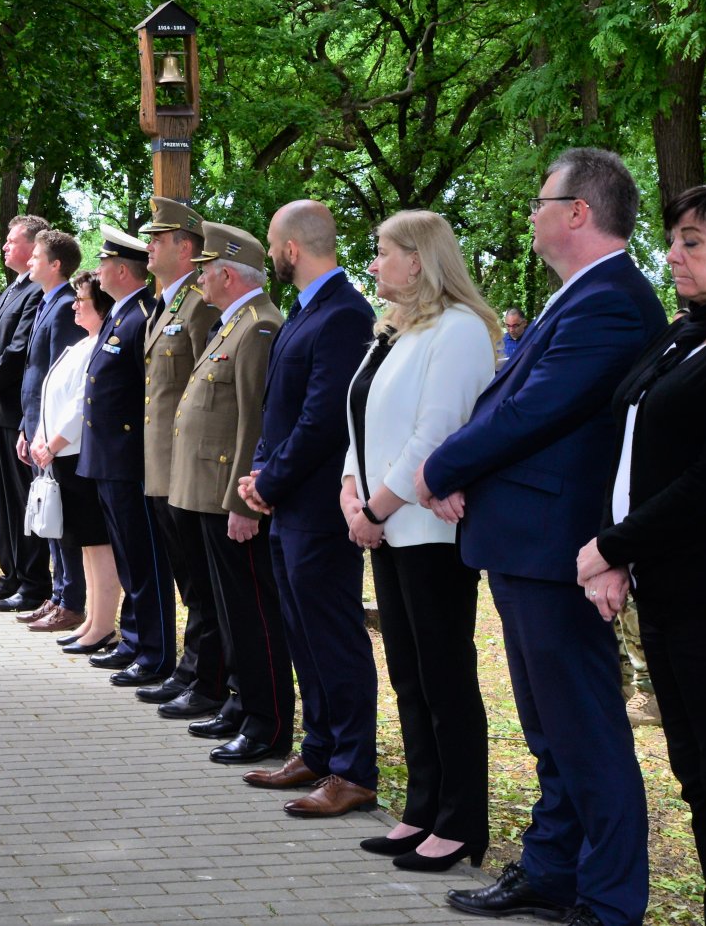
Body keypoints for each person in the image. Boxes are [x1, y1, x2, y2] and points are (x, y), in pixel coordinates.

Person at [418, 148, 664, 926]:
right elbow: (512, 406)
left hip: (560, 547)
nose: (530, 213)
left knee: (586, 733)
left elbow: (536, 411)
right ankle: (554, 873)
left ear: (578, 212)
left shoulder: (613, 301)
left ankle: (611, 900)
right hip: (526, 539)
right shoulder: (578, 297)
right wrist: (463, 471)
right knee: (551, 733)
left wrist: (440, 466)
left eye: (539, 200)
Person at [576, 180, 706, 925]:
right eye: (675, 239)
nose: (674, 255)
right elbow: (625, 443)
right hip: (670, 595)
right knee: (698, 782)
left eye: (693, 241)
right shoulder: (688, 329)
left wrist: (613, 545)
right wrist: (614, 549)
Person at [341, 209, 497, 872]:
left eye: (383, 252)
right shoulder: (398, 332)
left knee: (444, 677)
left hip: (427, 529)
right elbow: (365, 422)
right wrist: (351, 490)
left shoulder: (458, 331)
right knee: (408, 675)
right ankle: (424, 808)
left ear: (421, 258)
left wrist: (372, 507)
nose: (374, 265)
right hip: (385, 525)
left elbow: (434, 435)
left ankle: (461, 821)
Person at [236, 202, 379, 817]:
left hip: (320, 506)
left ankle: (352, 769)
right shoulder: (308, 309)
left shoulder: (345, 313)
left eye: (273, 244)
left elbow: (324, 418)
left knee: (334, 637)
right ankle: (318, 752)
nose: (270, 254)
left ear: (291, 248)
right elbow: (283, 407)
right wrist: (264, 474)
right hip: (290, 501)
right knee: (303, 633)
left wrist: (273, 480)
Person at [169, 222, 292, 765]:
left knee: (252, 612)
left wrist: (244, 502)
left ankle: (266, 721)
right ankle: (245, 704)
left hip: (230, 492)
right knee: (228, 606)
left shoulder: (260, 325)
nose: (199, 280)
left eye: (204, 271)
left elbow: (254, 420)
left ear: (225, 273)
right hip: (211, 490)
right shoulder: (233, 323)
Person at [135, 198, 228, 717]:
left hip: (186, 469)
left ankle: (207, 678)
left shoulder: (199, 305)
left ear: (184, 246)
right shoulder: (168, 304)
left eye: (158, 238)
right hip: (160, 466)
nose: (149, 246)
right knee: (185, 576)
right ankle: (191, 670)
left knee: (200, 580)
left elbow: (201, 390)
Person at [79, 227, 169, 679]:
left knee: (143, 559)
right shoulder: (120, 314)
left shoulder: (142, 316)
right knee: (128, 556)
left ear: (119, 269)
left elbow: (150, 396)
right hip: (109, 457)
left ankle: (153, 651)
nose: (97, 271)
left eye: (102, 264)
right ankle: (134, 640)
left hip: (131, 458)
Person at [32, 269, 121, 655]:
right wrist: (40, 436)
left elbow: (80, 406)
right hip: (62, 453)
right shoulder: (81, 344)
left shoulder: (99, 345)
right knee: (84, 544)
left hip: (77, 451)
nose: (74, 305)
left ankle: (103, 625)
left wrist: (52, 443)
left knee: (97, 544)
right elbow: (52, 396)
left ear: (101, 306)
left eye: (82, 299)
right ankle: (90, 620)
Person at [0, 216, 47, 609]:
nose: (4, 247)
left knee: (22, 501)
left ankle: (32, 582)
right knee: (4, 501)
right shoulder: (17, 287)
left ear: (33, 247)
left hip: (16, 408)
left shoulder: (36, 291)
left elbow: (18, 352)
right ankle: (12, 574)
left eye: (11, 241)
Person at [16, 228, 86, 634]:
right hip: (37, 427)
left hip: (54, 435)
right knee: (49, 515)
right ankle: (59, 594)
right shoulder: (48, 303)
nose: (29, 261)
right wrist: (29, 427)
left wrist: (45, 431)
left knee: (60, 518)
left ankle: (70, 599)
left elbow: (61, 380)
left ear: (55, 265)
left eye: (36, 256)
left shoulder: (63, 307)